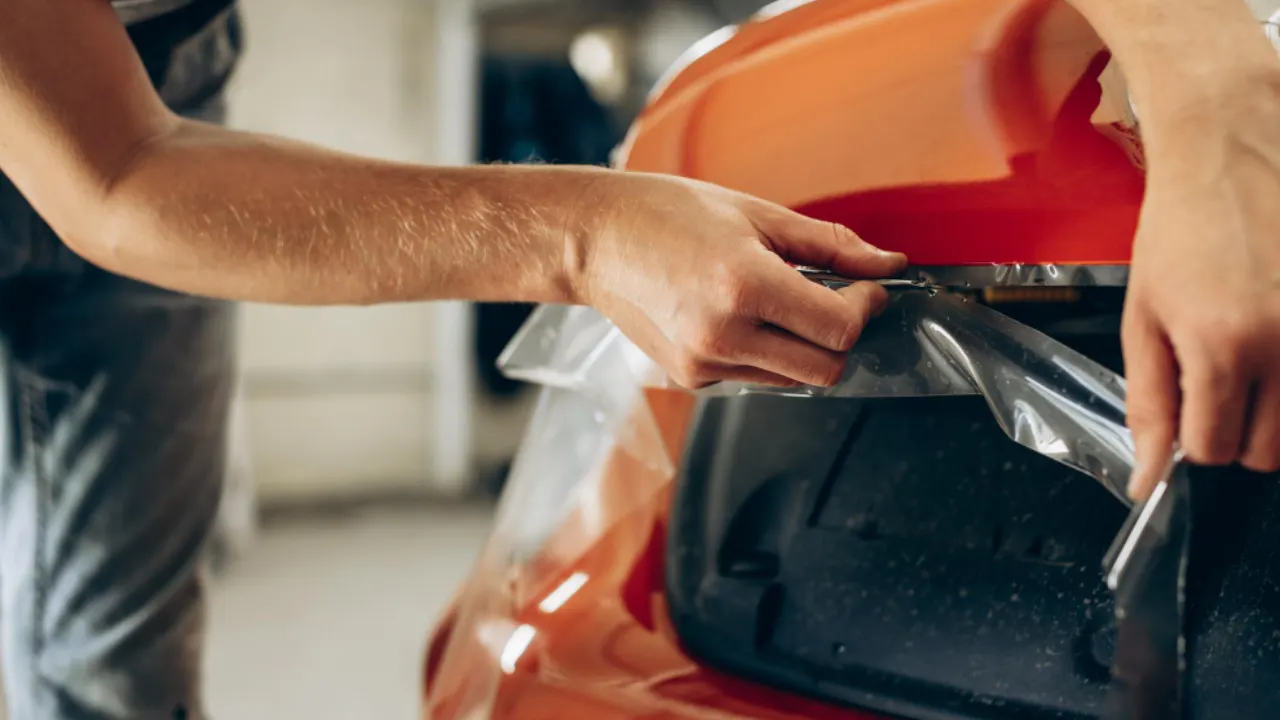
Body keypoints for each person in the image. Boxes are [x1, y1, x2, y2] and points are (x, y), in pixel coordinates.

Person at [0, 0, 1274, 717]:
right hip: (97, 123)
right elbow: (117, 174)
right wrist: (584, 238)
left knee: (116, 636)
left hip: (161, 55)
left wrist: (1215, 100)